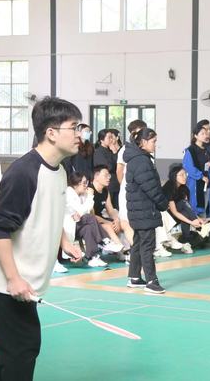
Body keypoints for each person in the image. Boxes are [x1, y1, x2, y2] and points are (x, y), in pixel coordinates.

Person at [0, 97, 83, 380]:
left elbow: (50, 211)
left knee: (9, 348)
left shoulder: (59, 170)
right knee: (22, 348)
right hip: (4, 278)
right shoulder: (24, 172)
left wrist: (65, 242)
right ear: (51, 133)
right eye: (74, 127)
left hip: (26, 278)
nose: (79, 135)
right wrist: (12, 278)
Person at [123, 128, 169, 294]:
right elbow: (151, 188)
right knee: (147, 245)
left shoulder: (136, 158)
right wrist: (163, 204)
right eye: (153, 141)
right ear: (142, 142)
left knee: (138, 243)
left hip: (138, 209)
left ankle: (134, 277)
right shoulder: (142, 161)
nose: (155, 144)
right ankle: (151, 281)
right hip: (144, 210)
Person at [162, 164, 210, 252]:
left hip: (179, 214)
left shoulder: (184, 188)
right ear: (174, 176)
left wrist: (198, 218)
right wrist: (192, 222)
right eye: (181, 175)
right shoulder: (169, 187)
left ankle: (186, 238)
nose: (185, 177)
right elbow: (174, 212)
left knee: (185, 211)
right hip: (166, 217)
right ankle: (201, 227)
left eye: (185, 174)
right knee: (182, 203)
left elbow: (188, 207)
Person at [117, 120, 147, 249]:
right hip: (128, 189)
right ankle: (132, 249)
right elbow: (119, 171)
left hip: (141, 191)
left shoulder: (145, 149)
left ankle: (139, 248)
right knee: (126, 220)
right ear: (134, 133)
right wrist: (126, 187)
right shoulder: (125, 149)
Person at [87, 165, 127, 253]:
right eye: (105, 175)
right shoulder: (89, 191)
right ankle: (122, 251)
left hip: (102, 219)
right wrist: (108, 222)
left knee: (123, 224)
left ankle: (132, 248)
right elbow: (91, 216)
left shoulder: (105, 191)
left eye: (109, 175)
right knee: (109, 226)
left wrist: (116, 220)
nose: (109, 178)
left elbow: (111, 210)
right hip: (92, 222)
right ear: (96, 176)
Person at [183, 123, 210, 218]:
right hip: (195, 184)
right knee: (196, 210)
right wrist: (201, 176)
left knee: (206, 208)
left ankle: (204, 226)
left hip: (207, 183)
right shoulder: (190, 150)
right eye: (202, 133)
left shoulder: (207, 151)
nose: (205, 135)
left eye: (206, 133)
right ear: (196, 136)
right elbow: (188, 167)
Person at [93, 129, 121, 209]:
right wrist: (114, 153)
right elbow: (109, 167)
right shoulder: (99, 152)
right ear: (102, 140)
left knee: (117, 208)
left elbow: (120, 164)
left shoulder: (110, 150)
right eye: (109, 137)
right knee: (109, 207)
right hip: (109, 185)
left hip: (116, 183)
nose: (111, 140)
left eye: (112, 137)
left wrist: (114, 152)